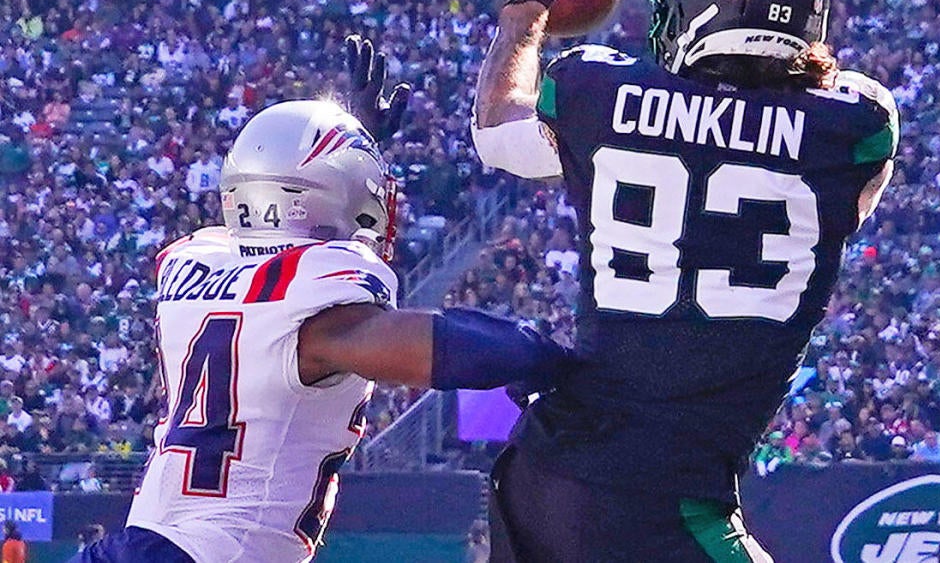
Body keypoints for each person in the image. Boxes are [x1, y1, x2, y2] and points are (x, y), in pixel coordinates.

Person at [470, 0, 896, 559]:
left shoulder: (596, 89)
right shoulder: (857, 130)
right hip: (665, 497)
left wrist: (524, 15)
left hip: (551, 472)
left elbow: (497, 132)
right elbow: (824, 170)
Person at [73, 90, 574, 562]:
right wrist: (545, 357)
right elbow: (442, 348)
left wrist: (352, 154)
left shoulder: (201, 266)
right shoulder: (319, 315)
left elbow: (285, 232)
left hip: (143, 540)